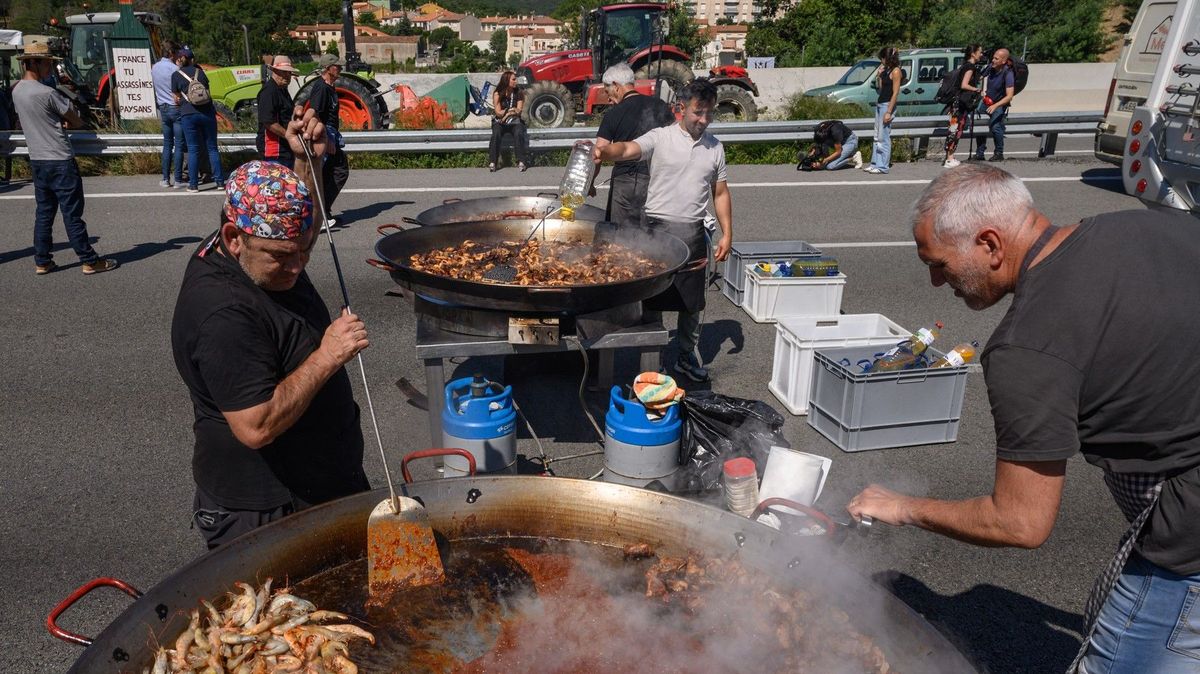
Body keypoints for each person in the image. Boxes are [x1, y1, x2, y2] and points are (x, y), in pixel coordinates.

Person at [847, 163, 1200, 674]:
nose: (933, 280)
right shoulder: (1145, 226)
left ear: (990, 243)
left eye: (940, 264)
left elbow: (1020, 522)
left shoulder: (1026, 349)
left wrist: (903, 507)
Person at [171, 108, 372, 550]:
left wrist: (309, 163)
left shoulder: (260, 249)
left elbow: (301, 228)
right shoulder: (222, 314)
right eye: (282, 256)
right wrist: (328, 355)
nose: (299, 265)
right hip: (264, 510)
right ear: (234, 236)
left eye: (303, 250)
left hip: (321, 482)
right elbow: (256, 426)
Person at [594, 79, 733, 383]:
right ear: (680, 109)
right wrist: (605, 153)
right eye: (698, 112)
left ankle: (685, 356)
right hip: (656, 230)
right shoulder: (660, 137)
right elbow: (629, 148)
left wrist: (727, 233)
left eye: (709, 113)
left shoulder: (715, 147)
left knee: (693, 304)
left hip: (694, 232)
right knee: (652, 300)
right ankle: (651, 363)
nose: (704, 120)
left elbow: (720, 193)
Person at [12, 37, 117, 276]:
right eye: (47, 63)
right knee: (72, 214)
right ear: (36, 63)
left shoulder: (17, 91)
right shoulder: (47, 93)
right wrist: (66, 122)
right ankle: (89, 259)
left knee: (44, 213)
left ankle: (42, 260)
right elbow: (77, 120)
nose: (49, 68)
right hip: (59, 158)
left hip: (37, 159)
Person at [593, 63, 676, 227]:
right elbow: (676, 138)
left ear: (616, 86)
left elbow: (598, 155)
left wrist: (589, 184)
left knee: (621, 239)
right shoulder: (659, 106)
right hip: (656, 180)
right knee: (651, 235)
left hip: (625, 183)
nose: (608, 98)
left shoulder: (612, 115)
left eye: (607, 91)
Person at [172, 47, 225, 193]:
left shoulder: (176, 75)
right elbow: (206, 92)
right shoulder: (200, 72)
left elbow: (176, 98)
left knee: (193, 149)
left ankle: (193, 184)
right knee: (212, 148)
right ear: (192, 59)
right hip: (207, 113)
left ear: (180, 59)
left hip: (188, 115)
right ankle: (220, 182)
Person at [306, 53, 348, 226]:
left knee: (330, 173)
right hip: (325, 134)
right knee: (338, 171)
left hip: (331, 133)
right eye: (336, 66)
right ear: (328, 69)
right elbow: (315, 114)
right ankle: (320, 214)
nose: (340, 68)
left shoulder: (330, 87)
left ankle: (324, 212)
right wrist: (326, 139)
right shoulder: (321, 88)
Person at [943, 45, 983, 168]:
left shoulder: (965, 65)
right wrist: (976, 89)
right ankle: (949, 159)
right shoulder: (970, 67)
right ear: (973, 54)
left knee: (954, 128)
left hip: (956, 102)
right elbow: (964, 85)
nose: (981, 54)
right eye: (980, 52)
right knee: (955, 129)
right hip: (959, 103)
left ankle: (950, 157)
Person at [257, 55, 299, 168]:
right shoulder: (269, 91)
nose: (288, 76)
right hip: (274, 150)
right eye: (284, 72)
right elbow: (268, 121)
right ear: (275, 71)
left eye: (289, 73)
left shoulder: (283, 90)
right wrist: (289, 135)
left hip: (285, 148)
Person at [973, 48, 1016, 162]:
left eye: (996, 59)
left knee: (995, 127)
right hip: (986, 101)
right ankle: (980, 153)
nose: (993, 60)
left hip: (999, 104)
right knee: (980, 125)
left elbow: (1009, 96)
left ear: (1003, 61)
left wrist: (995, 106)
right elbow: (979, 77)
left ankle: (999, 153)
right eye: (993, 57)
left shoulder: (1008, 73)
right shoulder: (990, 68)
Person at [152, 40, 183, 188]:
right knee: (178, 144)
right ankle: (177, 179)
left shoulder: (155, 67)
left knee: (167, 144)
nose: (177, 55)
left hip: (162, 107)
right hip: (175, 107)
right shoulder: (175, 69)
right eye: (176, 52)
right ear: (171, 53)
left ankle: (165, 178)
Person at [865, 47, 901, 175]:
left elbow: (895, 93)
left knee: (883, 137)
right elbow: (881, 89)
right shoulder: (886, 70)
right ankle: (875, 163)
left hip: (887, 105)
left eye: (883, 58)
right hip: (880, 103)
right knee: (876, 135)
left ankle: (883, 166)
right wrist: (879, 76)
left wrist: (889, 112)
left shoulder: (896, 71)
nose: (882, 60)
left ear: (888, 58)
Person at [487, 71, 530, 172]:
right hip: (500, 122)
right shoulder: (497, 93)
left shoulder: (519, 92)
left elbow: (518, 111)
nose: (516, 81)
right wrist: (509, 111)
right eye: (513, 79)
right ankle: (493, 162)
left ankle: (521, 161)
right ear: (507, 81)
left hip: (514, 121)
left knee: (519, 132)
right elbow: (498, 112)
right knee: (496, 133)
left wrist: (507, 113)